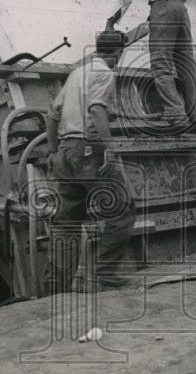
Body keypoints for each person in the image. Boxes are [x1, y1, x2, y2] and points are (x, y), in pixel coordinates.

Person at [43, 30, 135, 294]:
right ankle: (104, 274)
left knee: (66, 224)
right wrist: (109, 149)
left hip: (65, 152)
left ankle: (55, 288)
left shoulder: (76, 74)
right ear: (118, 53)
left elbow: (52, 114)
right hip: (89, 151)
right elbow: (95, 109)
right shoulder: (105, 74)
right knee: (122, 210)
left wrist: (52, 152)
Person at [106, 0, 196, 126]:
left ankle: (175, 112)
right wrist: (162, 7)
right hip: (181, 7)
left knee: (160, 63)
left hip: (163, 9)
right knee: (185, 62)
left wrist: (111, 21)